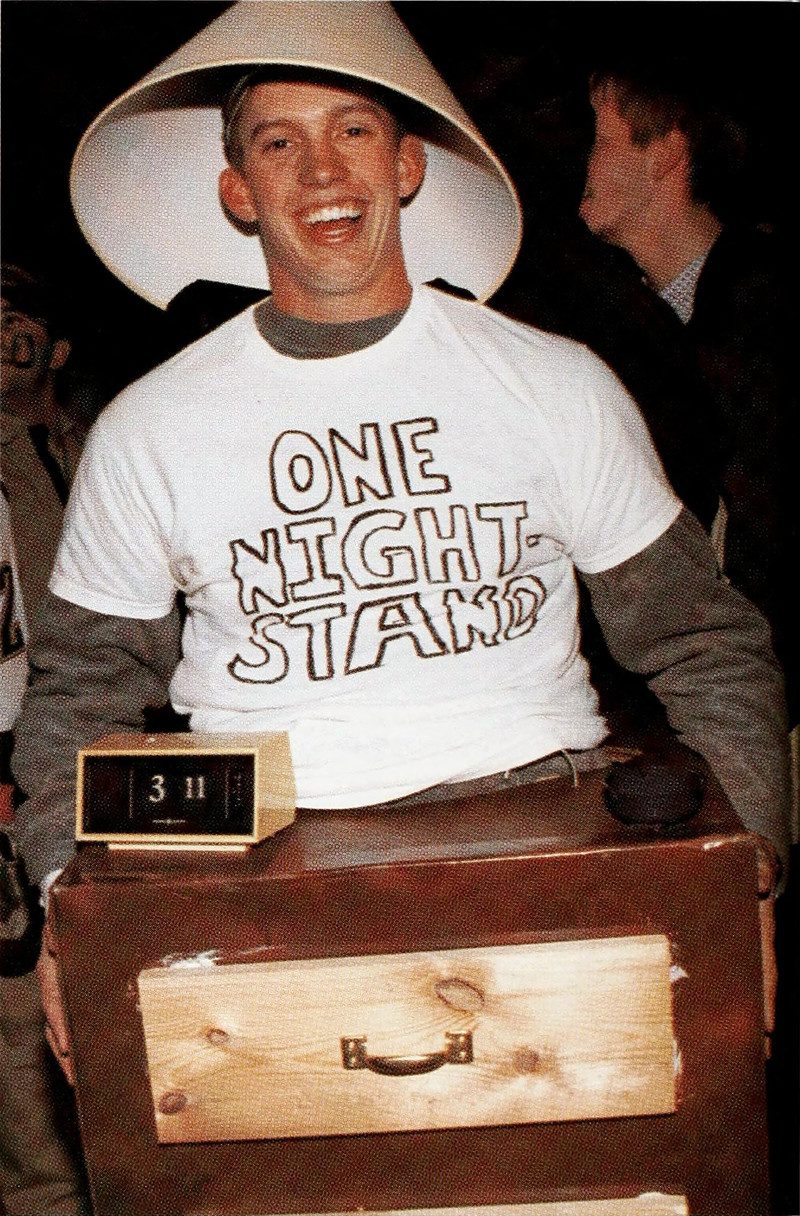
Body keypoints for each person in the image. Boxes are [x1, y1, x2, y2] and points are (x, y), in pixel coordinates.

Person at [11, 0, 791, 1092]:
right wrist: (69, 901)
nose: (322, 170)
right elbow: (79, 692)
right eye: (278, 142)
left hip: (546, 848)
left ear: (407, 163)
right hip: (257, 890)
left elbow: (707, 641)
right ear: (238, 190)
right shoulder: (150, 427)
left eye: (353, 130)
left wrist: (743, 865)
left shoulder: (553, 383)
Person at [579, 63, 798, 728]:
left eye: (600, 141)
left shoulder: (766, 306)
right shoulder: (638, 322)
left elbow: (763, 523)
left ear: (666, 155)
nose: (582, 164)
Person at [0, 268, 91, 1214]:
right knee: (22, 1006)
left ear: (56, 348)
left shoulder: (112, 445)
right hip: (12, 771)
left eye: (13, 316)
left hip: (121, 760)